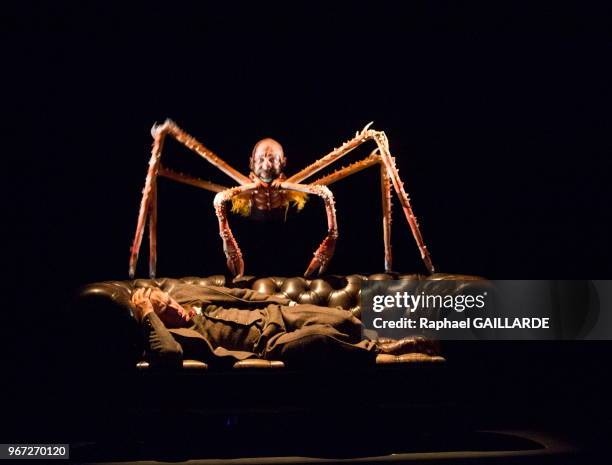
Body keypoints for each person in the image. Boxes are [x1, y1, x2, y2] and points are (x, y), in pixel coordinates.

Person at [130, 284, 437, 369]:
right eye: (165, 313)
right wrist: (148, 313)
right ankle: (379, 349)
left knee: (343, 319)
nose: (175, 310)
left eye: (169, 303)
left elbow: (238, 294)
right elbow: (168, 356)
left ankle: (378, 337)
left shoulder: (184, 294)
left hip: (274, 314)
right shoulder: (166, 333)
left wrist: (282, 301)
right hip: (264, 345)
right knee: (319, 338)